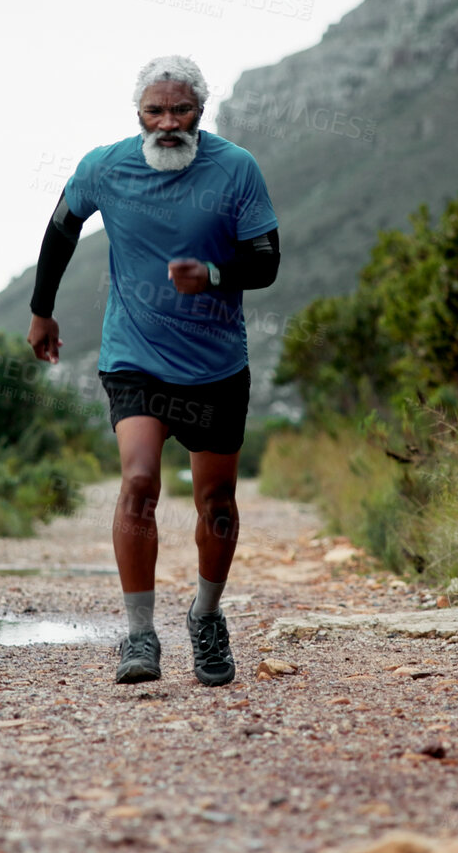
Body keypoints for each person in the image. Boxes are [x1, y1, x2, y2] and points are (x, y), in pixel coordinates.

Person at [27, 55, 280, 686]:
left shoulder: (236, 169)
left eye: (181, 110)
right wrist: (41, 312)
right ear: (137, 114)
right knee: (139, 480)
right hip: (134, 357)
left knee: (215, 499)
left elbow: (267, 262)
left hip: (216, 364)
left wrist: (214, 276)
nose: (168, 123)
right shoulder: (104, 167)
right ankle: (139, 636)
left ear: (202, 110)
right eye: (155, 111)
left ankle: (206, 617)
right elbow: (60, 231)